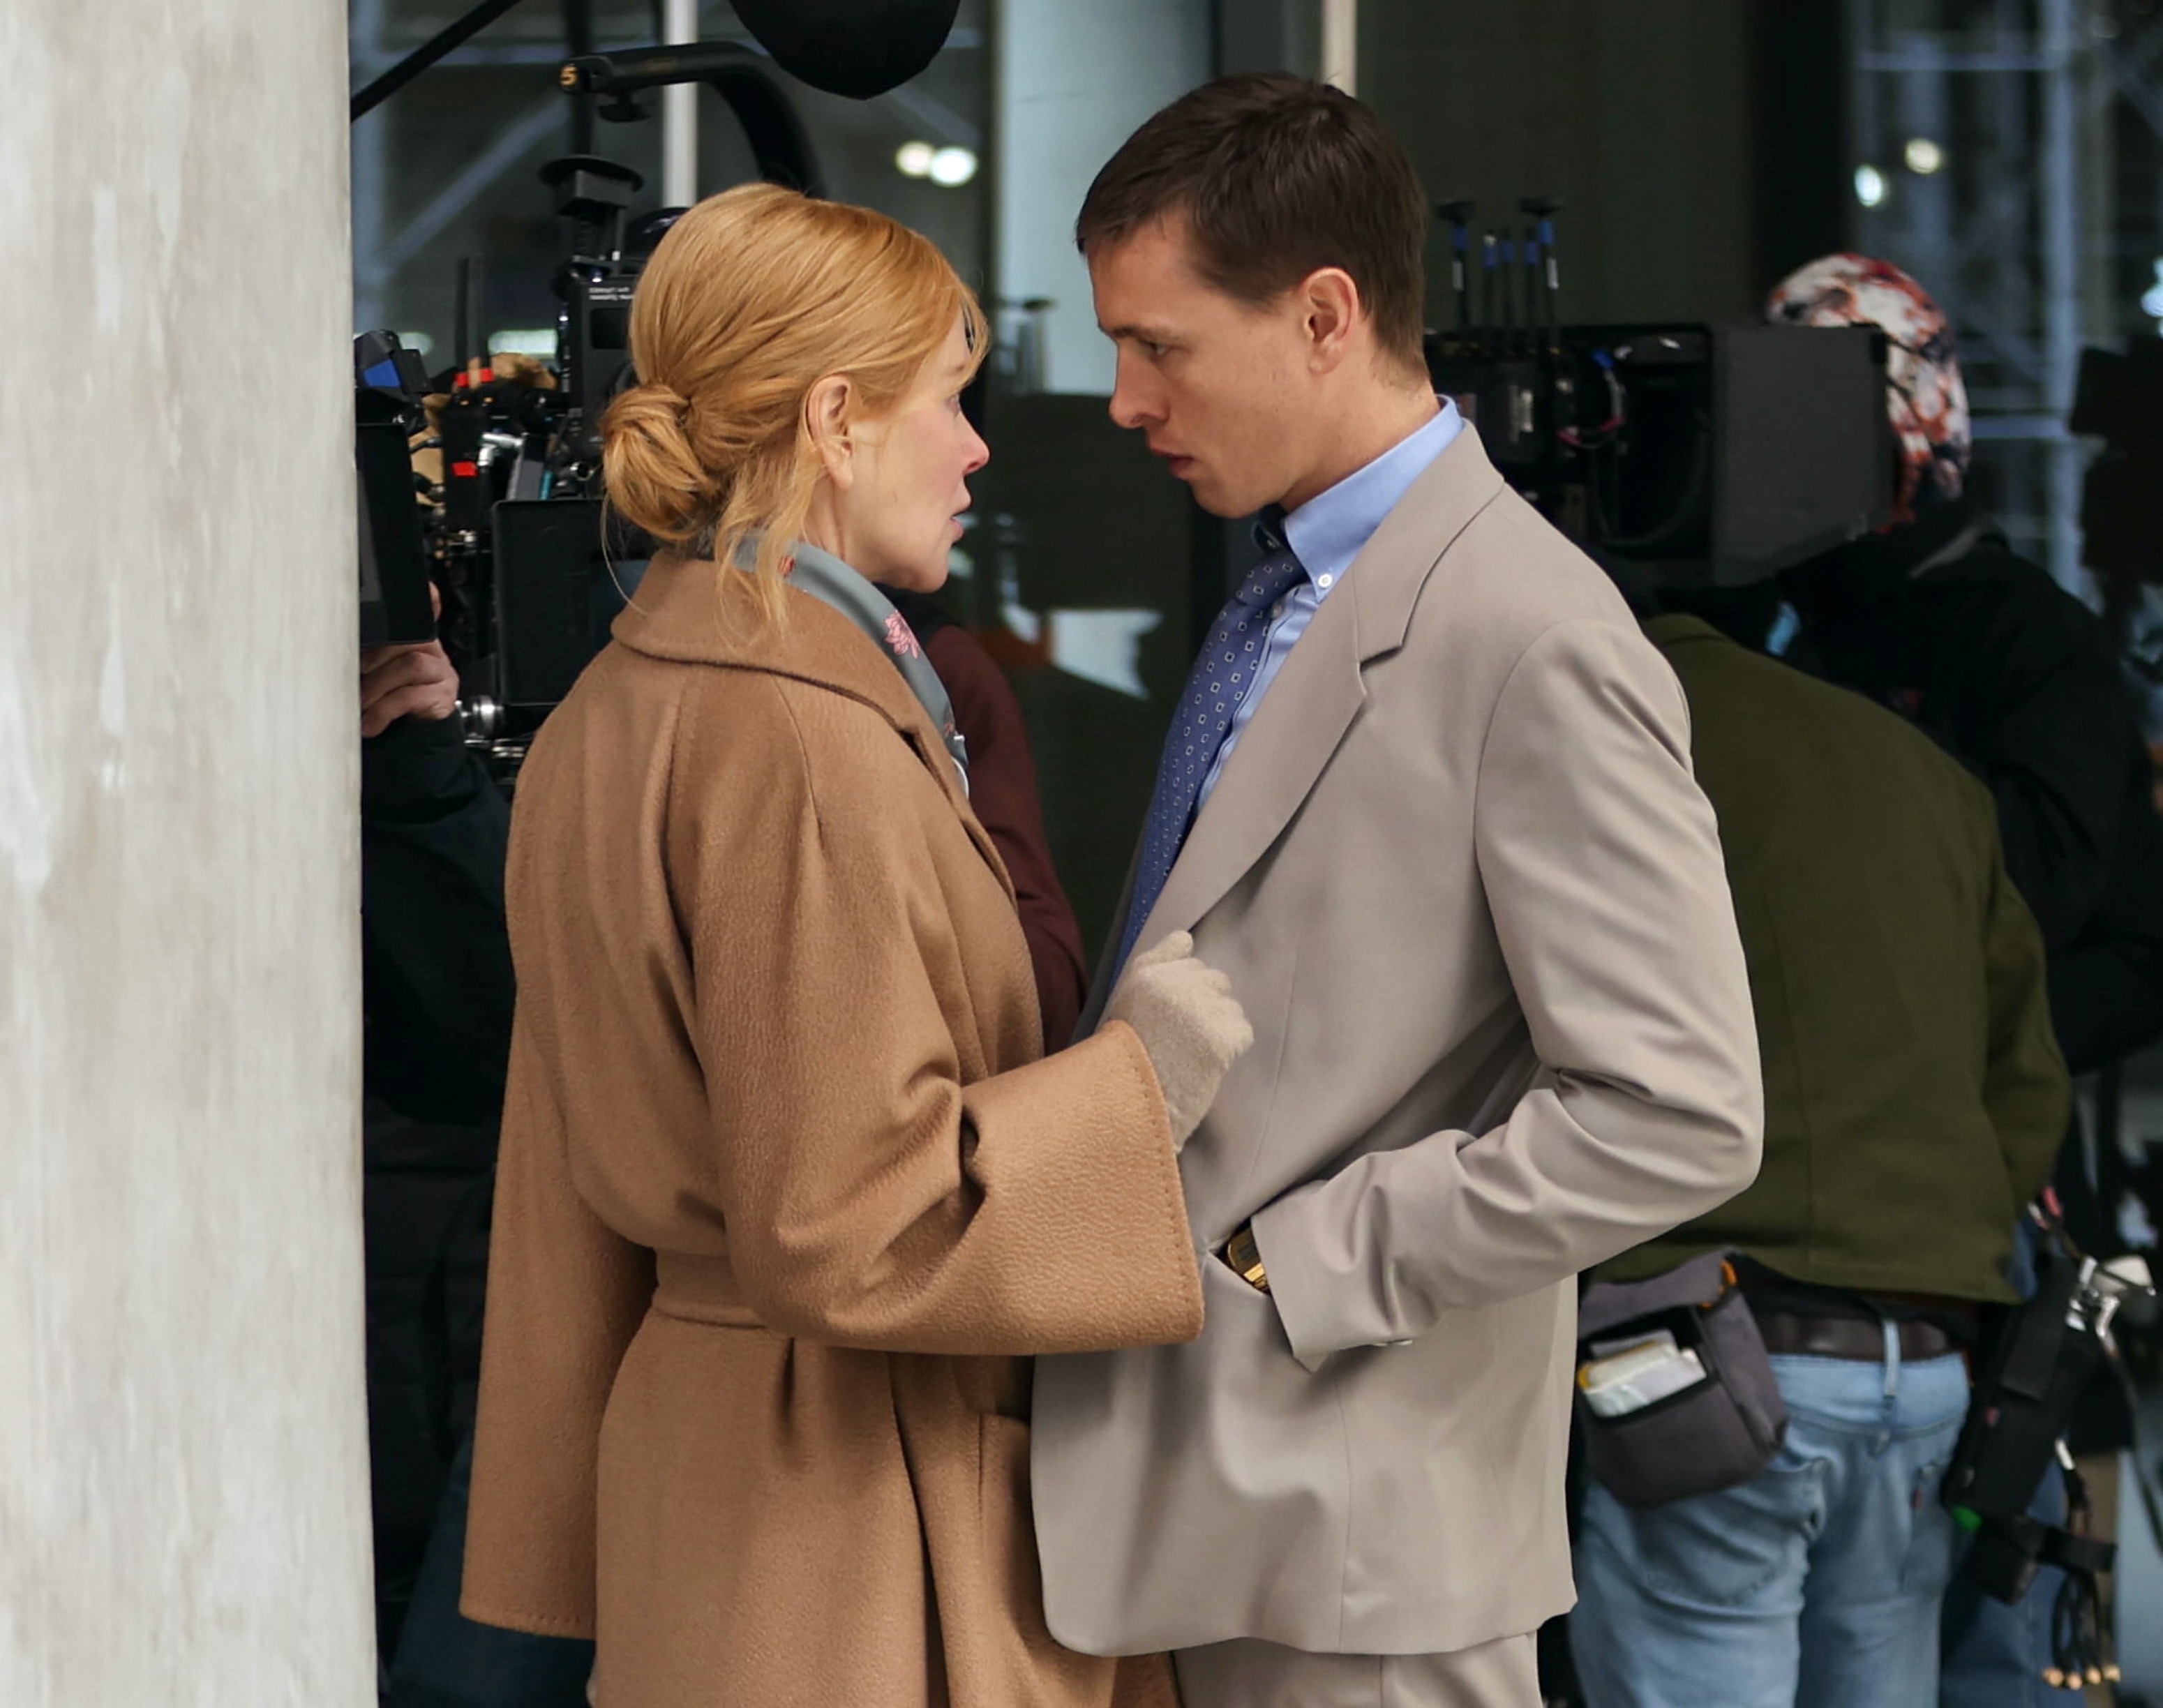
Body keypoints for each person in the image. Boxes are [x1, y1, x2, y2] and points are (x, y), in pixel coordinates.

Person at [459, 183, 1255, 1708]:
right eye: (947, 402)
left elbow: (558, 1185)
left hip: (702, 1492)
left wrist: (555, 1526)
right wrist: (1137, 1088)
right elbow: (856, 1223)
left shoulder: (616, 709)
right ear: (833, 418)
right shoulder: (796, 736)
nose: (975, 449)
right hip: (859, 1525)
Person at [1028, 74, 1765, 1708]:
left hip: (1361, 1541)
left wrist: (1309, 1263)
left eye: (1158, 345)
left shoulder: (1532, 629)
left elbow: (1679, 1108)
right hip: (1211, 1510)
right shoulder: (1287, 589)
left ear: (1321, 316)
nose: (1121, 401)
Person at [1765, 253, 2163, 1705]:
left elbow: (2106, 936)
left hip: (1978, 1235)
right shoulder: (1751, 636)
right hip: (1769, 1226)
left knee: (1981, 1635)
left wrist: (1933, 1047)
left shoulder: (2022, 647)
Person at [1567, 590, 2070, 1708]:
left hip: (1709, 1356)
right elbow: (2029, 1088)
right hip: (1927, 1367)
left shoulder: (1604, 724)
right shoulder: (1927, 775)